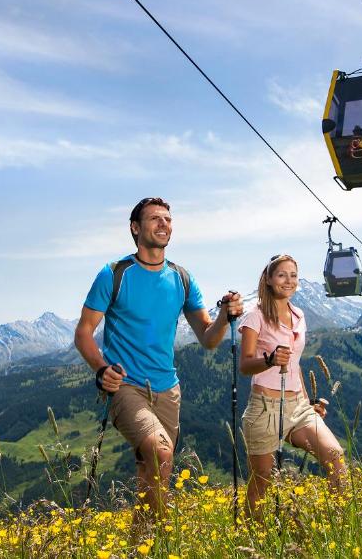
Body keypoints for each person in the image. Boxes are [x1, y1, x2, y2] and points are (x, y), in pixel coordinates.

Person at [74, 197, 243, 520]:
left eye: (167, 219)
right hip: (126, 386)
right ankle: (159, 535)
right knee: (161, 452)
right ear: (135, 228)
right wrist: (102, 369)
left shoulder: (182, 278)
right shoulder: (114, 274)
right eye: (155, 218)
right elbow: (83, 332)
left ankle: (143, 540)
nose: (163, 223)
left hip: (168, 390)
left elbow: (208, 338)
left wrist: (224, 316)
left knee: (152, 471)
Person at [238, 254, 345, 518]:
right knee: (262, 480)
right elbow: (245, 365)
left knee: (335, 456)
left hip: (298, 405)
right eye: (282, 275)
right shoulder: (255, 316)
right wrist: (270, 360)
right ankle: (250, 534)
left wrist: (308, 402)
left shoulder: (299, 315)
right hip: (265, 408)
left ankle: (336, 526)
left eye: (293, 275)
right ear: (269, 279)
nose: (289, 281)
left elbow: (295, 363)